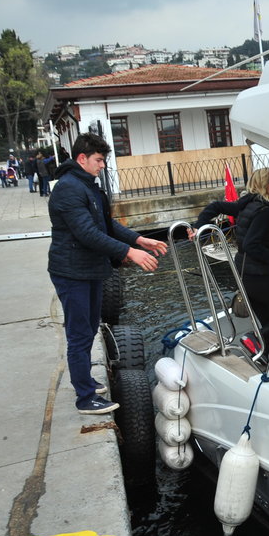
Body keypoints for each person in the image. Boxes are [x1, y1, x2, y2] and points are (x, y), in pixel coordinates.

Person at [49, 133, 169, 414]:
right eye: (99, 160)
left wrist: (139, 239)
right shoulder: (68, 188)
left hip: (89, 269)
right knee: (79, 334)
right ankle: (85, 398)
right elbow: (87, 233)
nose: (102, 165)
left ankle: (85, 380)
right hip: (72, 272)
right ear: (82, 158)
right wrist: (129, 252)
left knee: (90, 328)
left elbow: (106, 224)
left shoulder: (85, 185)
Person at [190, 167, 269, 356]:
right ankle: (256, 337)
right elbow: (252, 245)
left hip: (244, 276)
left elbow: (215, 207)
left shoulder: (247, 203)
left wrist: (198, 226)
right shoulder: (266, 211)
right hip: (258, 278)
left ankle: (261, 360)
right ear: (262, 185)